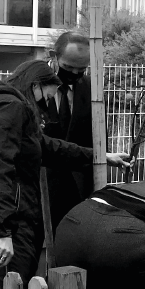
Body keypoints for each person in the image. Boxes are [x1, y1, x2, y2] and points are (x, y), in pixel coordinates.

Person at [0, 60, 131, 286]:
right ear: (35, 85)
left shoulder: (4, 107)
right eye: (45, 98)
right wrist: (3, 232)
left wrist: (101, 156)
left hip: (0, 215)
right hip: (3, 220)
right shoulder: (10, 107)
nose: (45, 107)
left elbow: (47, 147)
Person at [44, 31, 94, 232]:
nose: (74, 74)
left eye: (81, 69)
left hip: (78, 190)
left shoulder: (92, 88)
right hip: (41, 186)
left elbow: (96, 138)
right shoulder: (31, 86)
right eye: (68, 67)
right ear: (53, 56)